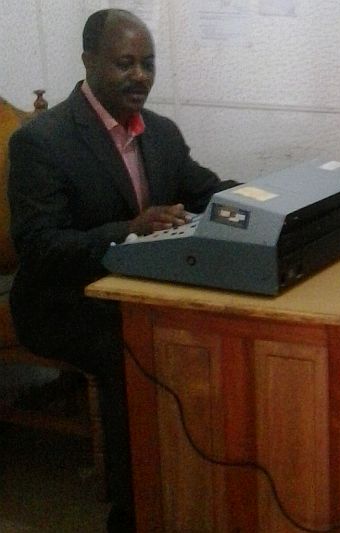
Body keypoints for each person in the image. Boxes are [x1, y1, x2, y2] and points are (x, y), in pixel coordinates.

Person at [7, 9, 237, 532]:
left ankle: (192, 475)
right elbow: (39, 248)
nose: (141, 76)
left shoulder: (159, 133)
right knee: (135, 348)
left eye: (149, 64)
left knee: (199, 333)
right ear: (88, 61)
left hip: (135, 288)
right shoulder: (42, 142)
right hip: (63, 301)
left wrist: (269, 200)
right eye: (125, 64)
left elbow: (207, 190)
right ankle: (133, 507)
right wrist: (129, 228)